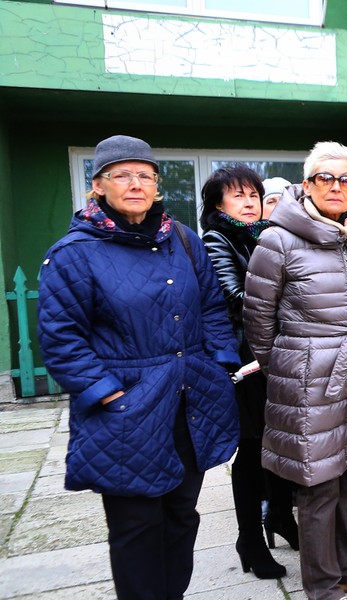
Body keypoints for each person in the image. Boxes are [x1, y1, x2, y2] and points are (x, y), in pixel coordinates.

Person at [39, 135, 241, 599]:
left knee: (182, 515)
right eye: (122, 175)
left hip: (190, 399)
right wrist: (107, 393)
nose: (136, 184)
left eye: (145, 175)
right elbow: (61, 336)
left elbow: (212, 307)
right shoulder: (75, 252)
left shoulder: (182, 240)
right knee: (137, 526)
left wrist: (218, 363)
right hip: (126, 409)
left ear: (157, 186)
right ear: (98, 187)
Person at [243, 141, 347, 600]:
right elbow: (258, 319)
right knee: (317, 483)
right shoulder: (278, 238)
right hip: (308, 373)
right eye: (325, 178)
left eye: (346, 178)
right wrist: (290, 367)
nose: (336, 186)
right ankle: (322, 585)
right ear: (308, 184)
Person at [199, 165, 295, 579]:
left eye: (253, 194)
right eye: (237, 195)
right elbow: (236, 298)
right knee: (253, 449)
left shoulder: (265, 236)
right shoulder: (216, 239)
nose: (249, 201)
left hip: (275, 353)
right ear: (218, 204)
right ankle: (249, 540)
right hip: (245, 361)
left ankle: (280, 516)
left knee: (279, 444)